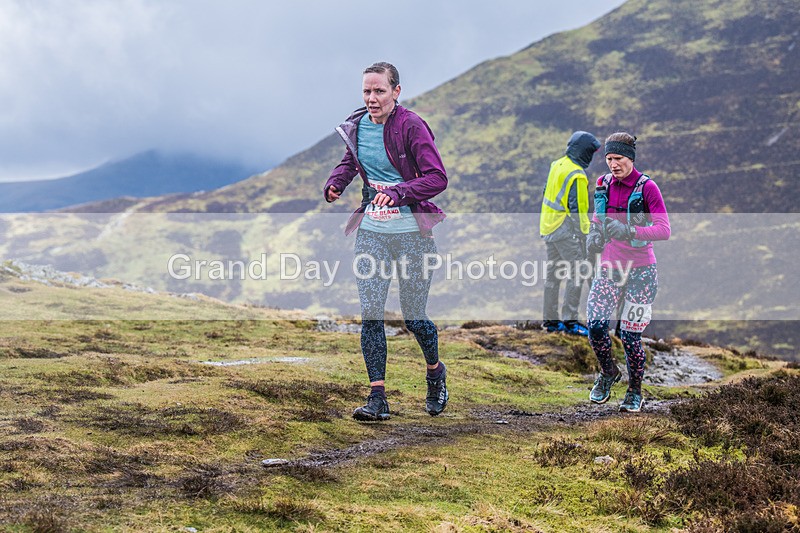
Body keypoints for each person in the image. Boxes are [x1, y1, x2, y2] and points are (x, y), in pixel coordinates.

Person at [323, 62, 448, 422]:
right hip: (372, 234)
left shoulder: (411, 126)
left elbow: (437, 178)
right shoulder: (358, 125)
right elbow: (351, 161)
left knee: (414, 318)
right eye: (367, 91)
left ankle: (435, 373)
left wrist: (398, 193)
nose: (372, 98)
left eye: (379, 91)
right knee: (371, 315)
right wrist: (336, 183)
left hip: (412, 236)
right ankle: (377, 399)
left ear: (396, 91)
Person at [585, 132, 671, 412]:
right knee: (596, 325)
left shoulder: (648, 188)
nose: (613, 164)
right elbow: (598, 218)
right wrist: (593, 235)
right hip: (610, 267)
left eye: (618, 158)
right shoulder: (603, 184)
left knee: (630, 335)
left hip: (642, 272)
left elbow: (664, 230)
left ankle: (635, 391)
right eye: (609, 159)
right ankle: (608, 372)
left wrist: (630, 230)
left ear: (630, 158)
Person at [539, 131, 601, 336]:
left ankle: (550, 321)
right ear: (585, 152)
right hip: (565, 231)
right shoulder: (577, 175)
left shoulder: (557, 164)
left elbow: (547, 192)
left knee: (553, 275)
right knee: (578, 272)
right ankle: (570, 322)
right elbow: (578, 211)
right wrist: (584, 237)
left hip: (548, 227)